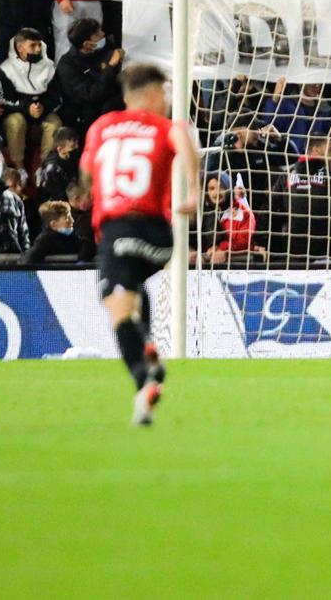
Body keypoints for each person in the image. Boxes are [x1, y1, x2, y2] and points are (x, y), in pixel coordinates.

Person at [78, 62, 197, 425]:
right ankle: (146, 340)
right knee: (132, 285)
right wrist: (193, 190)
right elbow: (183, 141)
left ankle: (143, 383)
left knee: (117, 307)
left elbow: (85, 174)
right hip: (160, 239)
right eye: (163, 93)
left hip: (118, 227)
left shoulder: (102, 127)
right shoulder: (166, 128)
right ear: (147, 95)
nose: (166, 100)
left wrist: (89, 190)